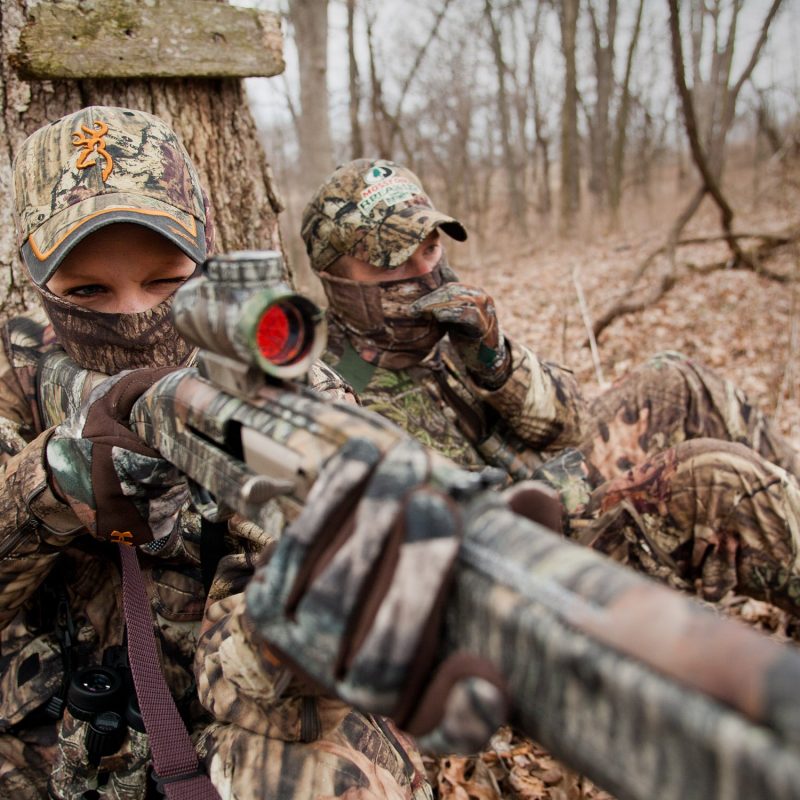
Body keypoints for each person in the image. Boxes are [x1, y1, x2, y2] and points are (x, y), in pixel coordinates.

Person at [0, 108, 433, 799]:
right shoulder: (17, 372)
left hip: (215, 731)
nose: (134, 315)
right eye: (86, 291)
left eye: (166, 282)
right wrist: (52, 484)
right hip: (48, 718)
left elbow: (274, 689)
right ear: (34, 278)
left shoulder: (281, 381)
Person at [300, 158, 800, 618]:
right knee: (714, 479)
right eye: (394, 260)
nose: (426, 274)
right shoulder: (331, 388)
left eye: (430, 247)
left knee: (677, 379)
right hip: (516, 574)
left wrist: (496, 363)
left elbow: (573, 426)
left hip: (558, 495)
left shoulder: (450, 328)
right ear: (334, 278)